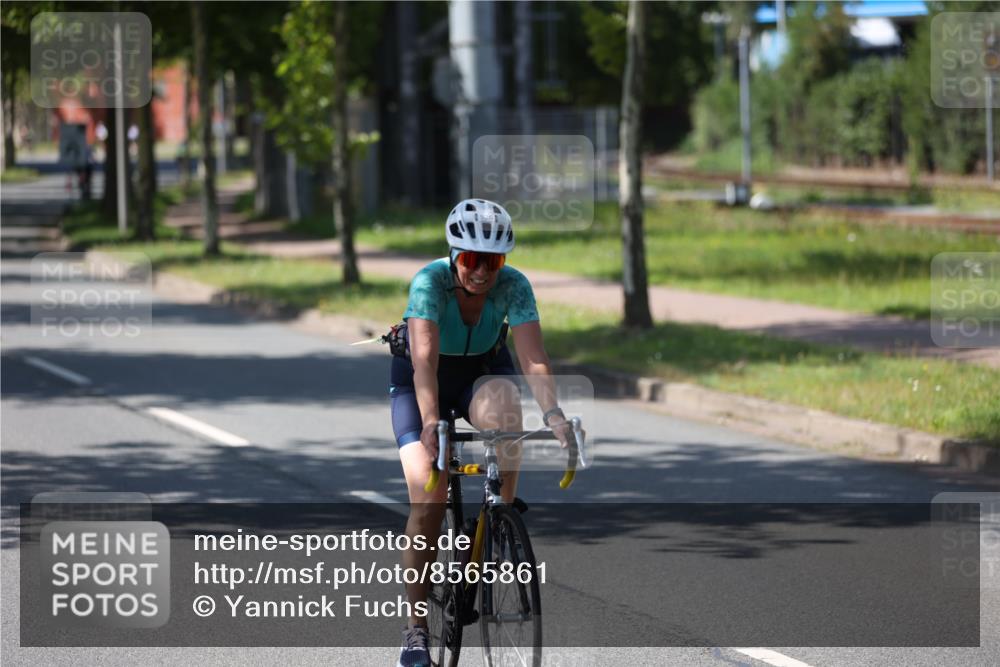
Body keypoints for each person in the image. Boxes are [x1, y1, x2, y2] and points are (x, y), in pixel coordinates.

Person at [389, 198, 574, 667]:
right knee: (428, 497)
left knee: (507, 411)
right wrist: (431, 423)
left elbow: (533, 357)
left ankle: (499, 517)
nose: (481, 272)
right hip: (423, 381)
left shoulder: (515, 286)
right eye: (472, 259)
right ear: (456, 255)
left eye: (493, 261)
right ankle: (415, 631)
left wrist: (554, 415)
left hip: (481, 372)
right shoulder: (429, 283)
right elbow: (424, 362)